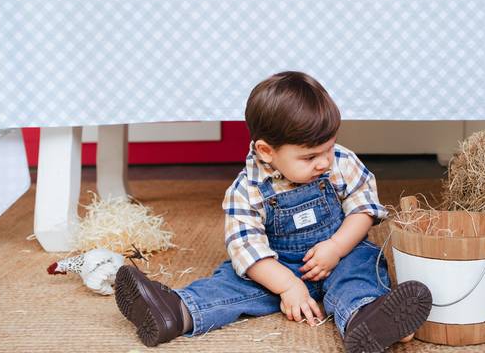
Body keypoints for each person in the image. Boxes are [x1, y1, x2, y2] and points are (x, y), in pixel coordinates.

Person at [114, 71, 432, 352]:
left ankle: (366, 318)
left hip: (339, 255)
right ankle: (176, 311)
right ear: (267, 151)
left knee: (362, 268)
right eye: (310, 157)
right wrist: (287, 286)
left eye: (329, 148)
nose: (324, 162)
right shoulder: (247, 190)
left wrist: (336, 248)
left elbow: (364, 208)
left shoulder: (340, 162)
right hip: (277, 268)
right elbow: (247, 249)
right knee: (231, 285)